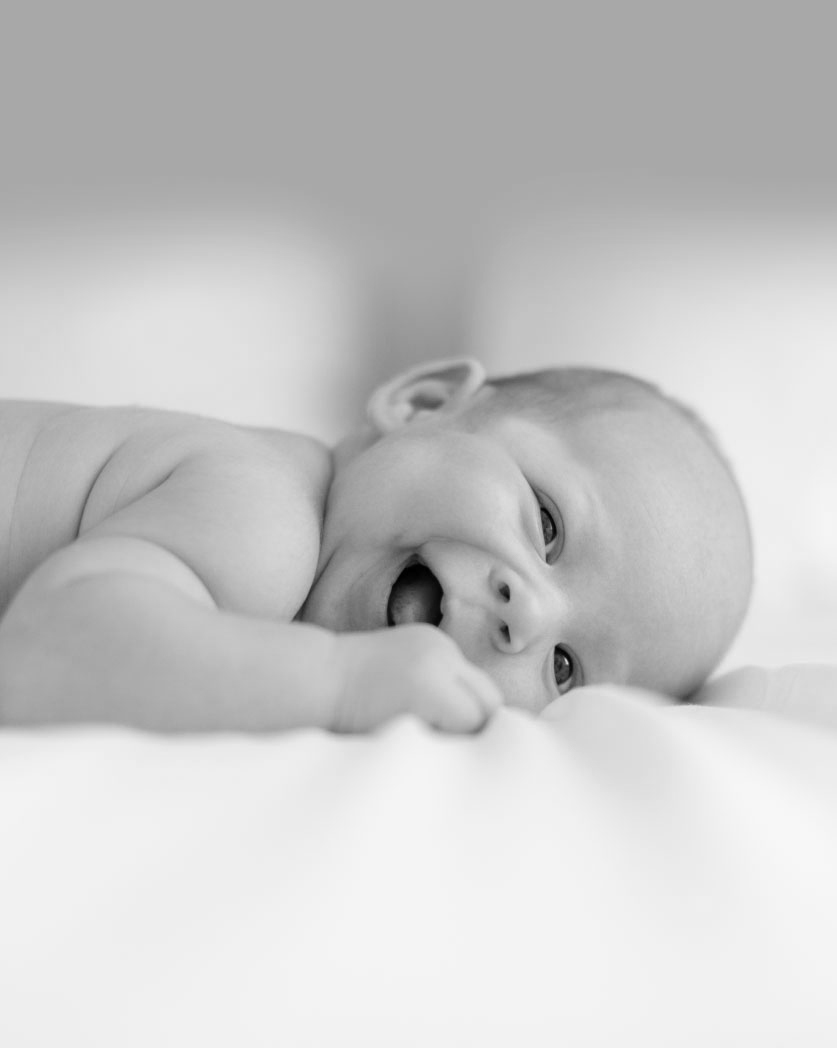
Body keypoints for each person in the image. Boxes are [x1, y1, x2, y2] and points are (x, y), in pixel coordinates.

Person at [0, 358, 752, 733]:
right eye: (548, 525)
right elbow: (52, 650)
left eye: (564, 667)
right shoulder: (266, 517)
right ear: (423, 404)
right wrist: (337, 682)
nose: (528, 618)